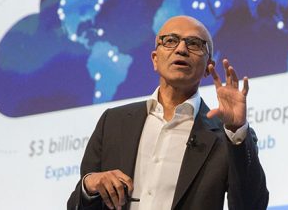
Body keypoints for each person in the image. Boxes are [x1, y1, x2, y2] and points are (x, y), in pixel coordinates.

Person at [67, 15, 268, 210]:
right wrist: (89, 185)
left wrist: (235, 128)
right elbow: (77, 204)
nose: (181, 49)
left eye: (195, 44)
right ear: (155, 59)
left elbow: (251, 206)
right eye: (170, 41)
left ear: (209, 67)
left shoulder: (228, 138)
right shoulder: (113, 122)